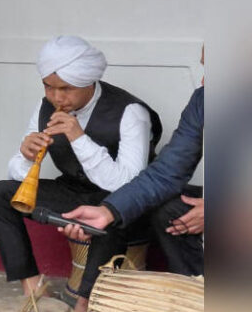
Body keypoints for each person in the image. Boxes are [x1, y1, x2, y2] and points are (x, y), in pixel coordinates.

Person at [0, 36, 162, 312]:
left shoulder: (131, 112)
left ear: (89, 81)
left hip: (121, 205)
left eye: (65, 88)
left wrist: (79, 137)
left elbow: (128, 183)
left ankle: (85, 303)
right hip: (76, 194)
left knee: (109, 216)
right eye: (48, 87)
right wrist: (26, 154)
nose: (56, 97)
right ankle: (34, 287)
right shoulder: (45, 107)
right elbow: (17, 172)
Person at [62, 49, 205, 276]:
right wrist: (108, 211)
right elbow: (166, 173)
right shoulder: (203, 100)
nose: (204, 80)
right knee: (172, 210)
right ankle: (197, 296)